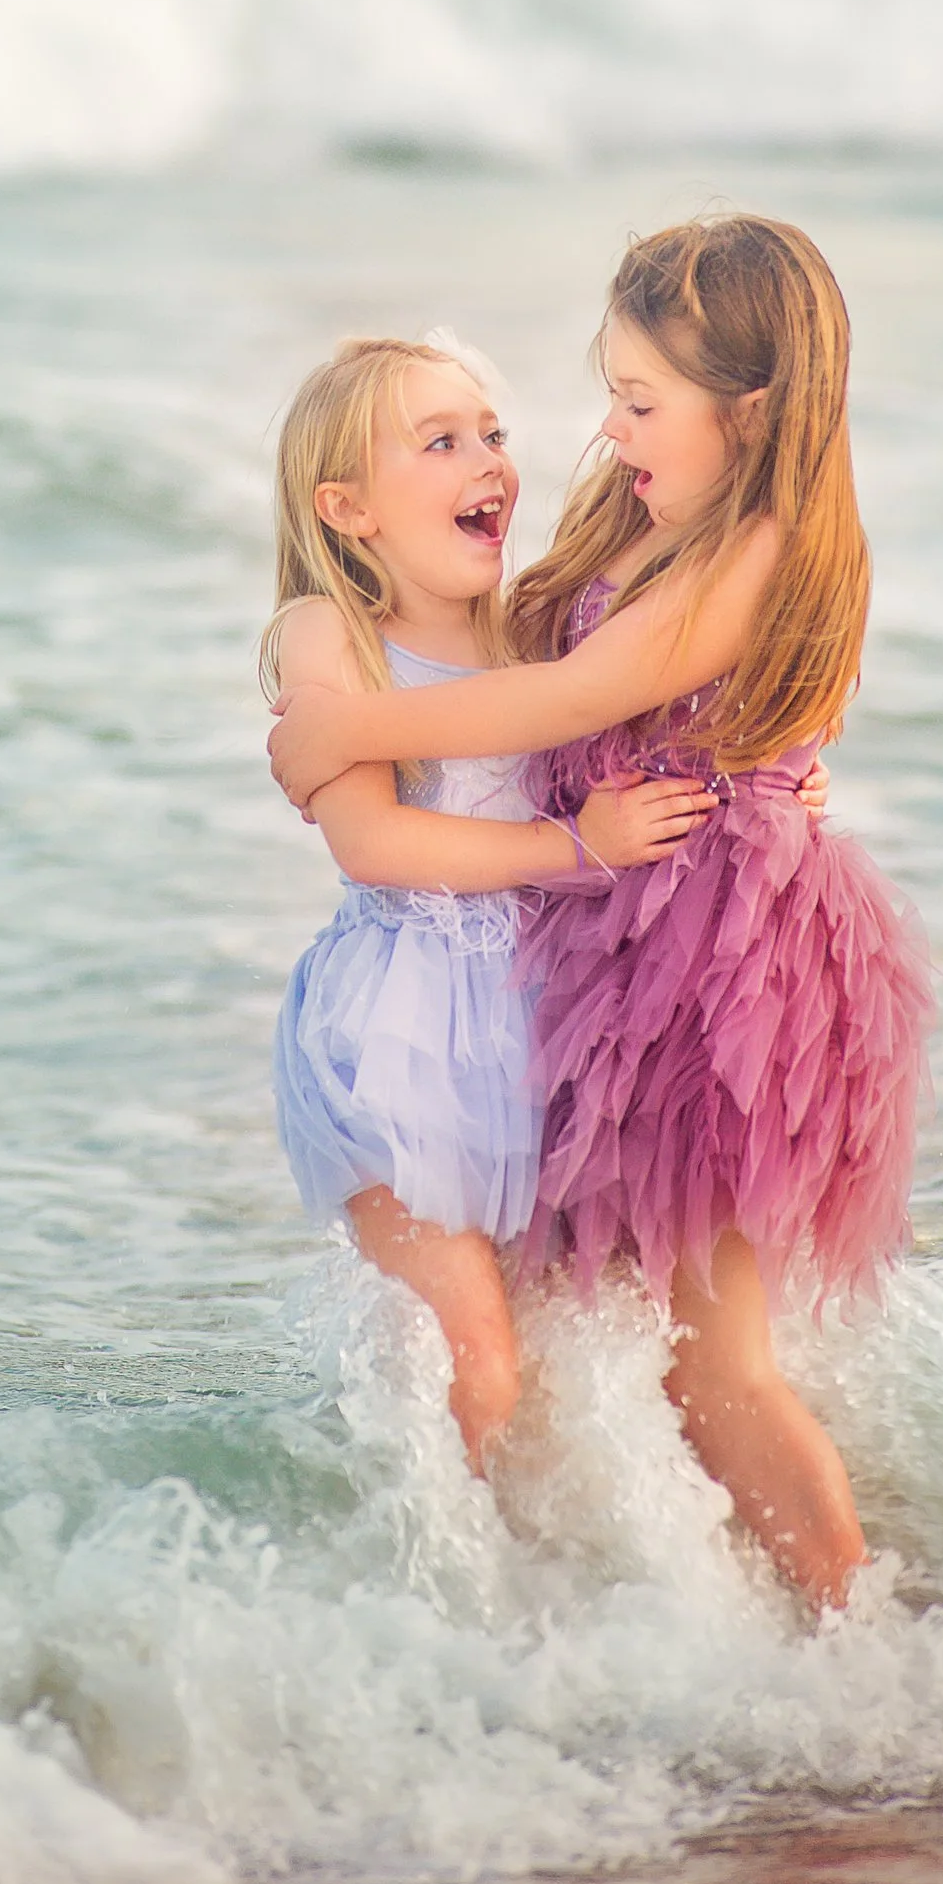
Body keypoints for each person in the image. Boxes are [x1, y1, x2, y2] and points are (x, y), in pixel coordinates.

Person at [269, 222, 930, 1607]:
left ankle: (851, 1636)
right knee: (631, 1339)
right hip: (619, 958)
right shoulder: (665, 511)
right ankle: (622, 1609)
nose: (607, 426)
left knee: (715, 1357)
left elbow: (579, 699)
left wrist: (340, 729)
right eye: (611, 393)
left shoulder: (757, 536)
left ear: (744, 410)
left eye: (638, 401)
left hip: (711, 974)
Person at [264, 337, 713, 1471]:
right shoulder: (331, 632)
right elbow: (371, 842)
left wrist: (780, 785)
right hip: (392, 1036)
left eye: (494, 435)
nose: (490, 464)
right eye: (443, 441)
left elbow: (654, 712)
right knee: (482, 1364)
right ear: (347, 506)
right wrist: (568, 849)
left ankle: (547, 1585)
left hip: (528, 1024)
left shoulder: (528, 629)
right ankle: (432, 1597)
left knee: (576, 1358)